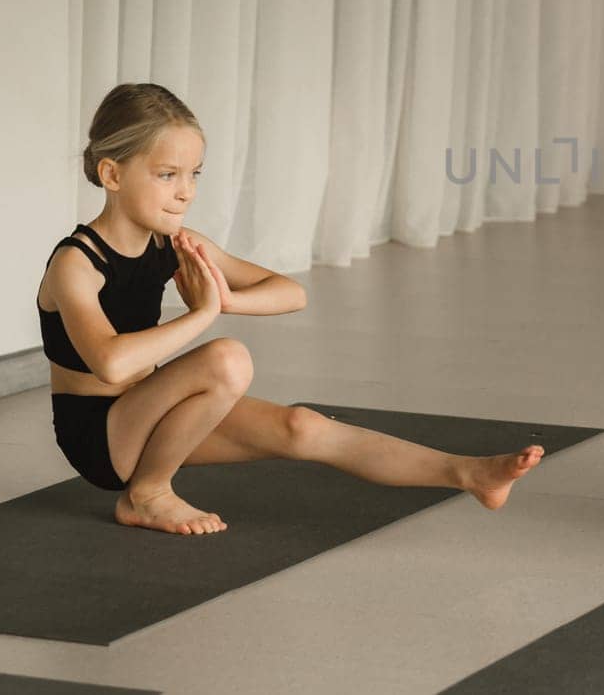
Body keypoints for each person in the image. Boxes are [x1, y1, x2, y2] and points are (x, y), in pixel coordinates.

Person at [36, 82, 543, 535]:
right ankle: (147, 493)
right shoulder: (75, 264)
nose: (185, 191)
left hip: (158, 411)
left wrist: (229, 299)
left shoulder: (176, 244)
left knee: (301, 426)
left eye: (194, 173)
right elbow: (111, 362)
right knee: (226, 359)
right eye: (167, 174)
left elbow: (289, 293)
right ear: (112, 174)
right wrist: (202, 314)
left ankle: (470, 474)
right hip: (101, 436)